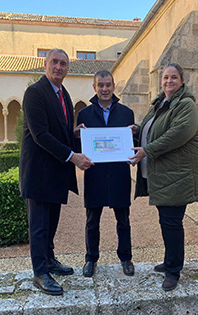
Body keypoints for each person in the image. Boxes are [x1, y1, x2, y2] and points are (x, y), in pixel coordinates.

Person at [19, 48, 93, 295]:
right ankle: (40, 273)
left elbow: (57, 130)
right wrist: (73, 157)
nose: (59, 67)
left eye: (63, 63)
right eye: (55, 62)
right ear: (45, 64)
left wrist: (73, 134)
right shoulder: (35, 92)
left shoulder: (64, 93)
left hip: (55, 173)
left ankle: (49, 260)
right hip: (39, 172)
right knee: (39, 226)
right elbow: (40, 135)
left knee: (50, 224)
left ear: (67, 68)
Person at [129, 63, 198, 291]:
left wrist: (147, 150)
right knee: (167, 221)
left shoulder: (186, 105)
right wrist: (139, 128)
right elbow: (155, 128)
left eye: (173, 78)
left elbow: (177, 133)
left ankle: (173, 271)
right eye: (165, 78)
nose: (168, 81)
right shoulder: (161, 103)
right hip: (165, 175)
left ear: (182, 81)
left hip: (178, 175)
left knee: (172, 222)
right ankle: (170, 260)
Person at [74, 70, 135, 278]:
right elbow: (80, 147)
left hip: (119, 175)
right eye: (100, 85)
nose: (105, 89)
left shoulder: (127, 113)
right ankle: (91, 259)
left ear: (114, 86)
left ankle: (126, 258)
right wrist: (76, 135)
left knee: (123, 220)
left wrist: (133, 136)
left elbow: (131, 145)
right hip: (95, 175)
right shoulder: (84, 115)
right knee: (92, 221)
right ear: (94, 87)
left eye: (108, 85)